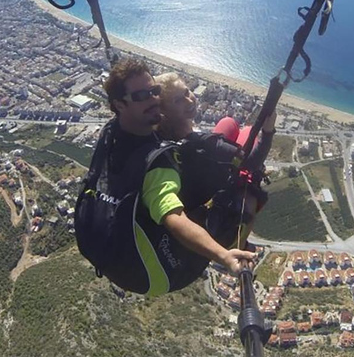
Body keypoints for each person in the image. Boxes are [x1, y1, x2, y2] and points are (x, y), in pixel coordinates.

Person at [74, 58, 255, 297]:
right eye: (141, 96)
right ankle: (236, 240)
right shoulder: (156, 161)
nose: (152, 100)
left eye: (154, 91)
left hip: (113, 255)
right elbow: (172, 216)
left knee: (227, 131)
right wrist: (223, 256)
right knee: (251, 186)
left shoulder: (111, 131)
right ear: (119, 104)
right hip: (156, 273)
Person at [154, 72, 276, 244]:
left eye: (186, 92)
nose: (189, 100)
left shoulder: (161, 135)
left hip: (193, 186)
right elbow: (252, 162)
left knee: (228, 123)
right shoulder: (207, 145)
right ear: (165, 111)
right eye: (178, 100)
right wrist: (268, 131)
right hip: (215, 203)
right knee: (248, 132)